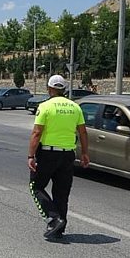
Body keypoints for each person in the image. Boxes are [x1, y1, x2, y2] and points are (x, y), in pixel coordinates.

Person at [28, 74, 90, 240]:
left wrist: (30, 155)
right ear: (63, 90)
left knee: (36, 186)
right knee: (62, 193)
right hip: (68, 155)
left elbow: (37, 132)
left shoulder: (45, 106)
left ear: (49, 89)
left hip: (48, 154)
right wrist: (84, 152)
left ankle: (54, 219)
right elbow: (83, 131)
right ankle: (60, 228)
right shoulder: (75, 107)